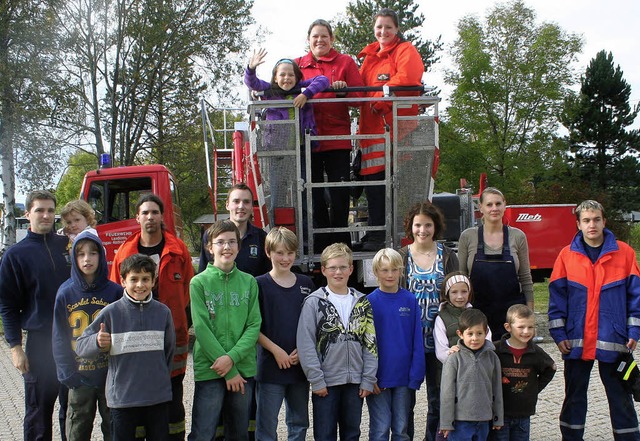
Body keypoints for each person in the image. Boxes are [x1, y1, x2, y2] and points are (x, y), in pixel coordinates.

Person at [548, 199, 640, 441]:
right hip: (576, 341)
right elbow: (557, 301)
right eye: (586, 220)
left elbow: (635, 297)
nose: (592, 225)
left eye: (596, 219)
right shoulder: (566, 256)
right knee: (574, 397)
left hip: (615, 338)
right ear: (578, 224)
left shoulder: (625, 253)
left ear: (604, 221)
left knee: (621, 398)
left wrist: (633, 331)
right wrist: (559, 336)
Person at [109, 193, 194, 440]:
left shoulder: (178, 251)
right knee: (137, 402)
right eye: (145, 212)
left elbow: (188, 288)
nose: (150, 217)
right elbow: (117, 292)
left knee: (172, 398)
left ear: (161, 216)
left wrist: (180, 322)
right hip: (134, 343)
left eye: (155, 212)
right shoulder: (125, 253)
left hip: (172, 339)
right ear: (137, 217)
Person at [76, 254, 176, 441]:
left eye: (145, 279)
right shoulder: (111, 313)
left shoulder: (163, 313)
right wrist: (97, 342)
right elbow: (81, 346)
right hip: (123, 399)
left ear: (153, 281)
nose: (140, 285)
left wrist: (159, 377)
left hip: (157, 397)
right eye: (134, 279)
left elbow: (168, 352)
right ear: (123, 281)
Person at [0, 190, 72, 441]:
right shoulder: (15, 256)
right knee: (38, 411)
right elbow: (7, 305)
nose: (46, 215)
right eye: (40, 210)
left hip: (73, 339)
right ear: (27, 213)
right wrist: (15, 347)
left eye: (51, 210)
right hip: (40, 342)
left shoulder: (69, 246)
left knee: (72, 410)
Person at [357, 8, 425, 251]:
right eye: (379, 27)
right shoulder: (369, 57)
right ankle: (375, 233)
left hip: (398, 134)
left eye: (388, 27)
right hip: (370, 135)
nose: (383, 31)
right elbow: (358, 87)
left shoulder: (406, 51)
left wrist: (379, 100)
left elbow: (407, 78)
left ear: (397, 29)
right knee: (373, 187)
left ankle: (396, 235)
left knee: (396, 188)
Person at [188, 220, 262, 441]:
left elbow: (253, 325)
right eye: (220, 242)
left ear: (239, 247)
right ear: (210, 247)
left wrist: (232, 360)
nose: (227, 247)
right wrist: (228, 369)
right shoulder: (198, 283)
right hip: (211, 368)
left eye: (232, 242)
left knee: (239, 432)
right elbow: (201, 328)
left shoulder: (249, 282)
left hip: (243, 369)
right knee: (204, 431)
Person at [297, 242, 378, 441]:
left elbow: (370, 343)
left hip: (355, 382)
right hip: (326, 382)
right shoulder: (314, 302)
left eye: (343, 267)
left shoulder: (362, 302)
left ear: (351, 269)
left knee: (352, 433)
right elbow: (306, 343)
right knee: (325, 434)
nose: (338, 272)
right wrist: (316, 380)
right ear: (323, 270)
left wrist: (368, 378)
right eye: (332, 267)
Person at [295, 18, 364, 248]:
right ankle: (322, 244)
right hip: (307, 140)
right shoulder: (296, 65)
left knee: (339, 194)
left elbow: (359, 99)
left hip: (337, 140)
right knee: (313, 194)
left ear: (332, 39)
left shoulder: (345, 62)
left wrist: (344, 91)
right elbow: (281, 88)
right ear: (308, 40)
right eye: (315, 36)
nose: (320, 40)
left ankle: (341, 243)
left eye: (324, 36)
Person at [52, 231, 122, 440]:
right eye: (81, 254)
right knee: (77, 429)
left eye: (93, 253)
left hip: (110, 376)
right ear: (74, 258)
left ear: (101, 256)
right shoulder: (65, 293)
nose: (87, 259)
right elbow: (59, 337)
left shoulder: (115, 292)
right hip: (79, 376)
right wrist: (67, 374)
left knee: (114, 427)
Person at [398, 201, 458, 441]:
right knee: (406, 399)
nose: (422, 230)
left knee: (438, 398)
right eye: (418, 225)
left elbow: (458, 296)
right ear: (410, 227)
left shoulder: (448, 256)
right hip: (409, 340)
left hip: (440, 341)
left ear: (436, 227)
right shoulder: (401, 257)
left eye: (428, 225)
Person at [255, 227, 315, 441]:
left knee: (299, 422)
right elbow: (253, 327)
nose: (285, 258)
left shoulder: (306, 284)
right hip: (271, 366)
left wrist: (303, 349)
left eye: (290, 253)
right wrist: (276, 351)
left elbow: (313, 323)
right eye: (280, 253)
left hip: (299, 366)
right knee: (267, 424)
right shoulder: (259, 284)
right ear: (268, 252)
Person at [458, 187, 533, 337]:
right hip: (478, 315)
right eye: (489, 204)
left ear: (505, 205)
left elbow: (525, 278)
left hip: (512, 314)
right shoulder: (468, 236)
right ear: (481, 207)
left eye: (498, 204)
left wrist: (529, 315)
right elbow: (461, 277)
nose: (494, 208)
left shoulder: (518, 236)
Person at [366, 248, 425, 441]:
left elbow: (417, 338)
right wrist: (369, 377)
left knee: (401, 429)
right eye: (384, 270)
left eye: (394, 269)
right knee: (380, 428)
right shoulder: (369, 302)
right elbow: (365, 343)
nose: (390, 275)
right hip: (378, 377)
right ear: (375, 272)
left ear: (401, 271)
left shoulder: (410, 299)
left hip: (404, 377)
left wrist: (416, 374)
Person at [491, 304, 556, 441]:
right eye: (521, 327)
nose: (526, 331)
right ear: (508, 327)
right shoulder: (495, 350)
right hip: (500, 415)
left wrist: (534, 388)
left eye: (530, 327)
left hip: (523, 414)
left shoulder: (536, 352)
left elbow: (551, 368)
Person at [440, 309, 503, 441]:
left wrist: (498, 417)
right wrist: (446, 422)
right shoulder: (453, 359)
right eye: (470, 334)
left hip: (484, 419)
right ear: (460, 334)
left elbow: (497, 390)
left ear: (486, 333)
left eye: (479, 333)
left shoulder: (492, 357)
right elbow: (447, 393)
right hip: (460, 421)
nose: (475, 338)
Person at [198, 183, 270, 276]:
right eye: (236, 201)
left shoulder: (261, 237)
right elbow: (203, 274)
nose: (241, 206)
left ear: (252, 207)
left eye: (246, 202)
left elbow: (267, 276)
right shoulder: (211, 235)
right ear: (227, 205)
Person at [433, 272, 492, 365]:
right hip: (453, 369)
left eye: (464, 291)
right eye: (454, 292)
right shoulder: (441, 318)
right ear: (447, 293)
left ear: (469, 292)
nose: (460, 296)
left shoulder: (477, 315)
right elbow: (441, 351)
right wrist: (449, 353)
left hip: (477, 366)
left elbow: (488, 340)